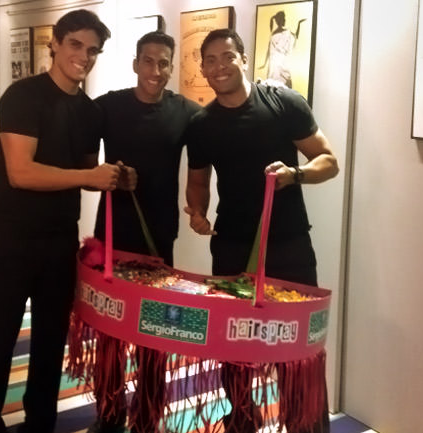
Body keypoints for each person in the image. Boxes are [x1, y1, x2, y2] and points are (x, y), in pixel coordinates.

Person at [0, 10, 135, 433]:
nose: (84, 56)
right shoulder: (24, 96)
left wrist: (113, 178)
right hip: (12, 240)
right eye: (75, 45)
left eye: (93, 50)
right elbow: (21, 173)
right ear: (55, 44)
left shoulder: (90, 113)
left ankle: (40, 421)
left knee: (50, 342)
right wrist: (88, 176)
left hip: (61, 242)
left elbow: (85, 173)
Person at [185, 29, 338, 433]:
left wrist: (295, 174)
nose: (220, 66)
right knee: (233, 344)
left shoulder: (283, 103)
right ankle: (241, 420)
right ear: (203, 68)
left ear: (244, 59)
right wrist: (197, 212)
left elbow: (328, 161)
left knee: (298, 349)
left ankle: (306, 426)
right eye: (210, 60)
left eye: (227, 56)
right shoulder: (201, 125)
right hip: (232, 248)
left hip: (289, 245)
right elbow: (198, 181)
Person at [88, 31, 201, 433]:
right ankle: (109, 413)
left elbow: (215, 148)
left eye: (164, 63)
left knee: (155, 330)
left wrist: (200, 207)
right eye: (148, 61)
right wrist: (109, 175)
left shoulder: (187, 112)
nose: (156, 70)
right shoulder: (107, 107)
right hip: (113, 235)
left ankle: (149, 415)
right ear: (136, 64)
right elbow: (83, 166)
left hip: (159, 237)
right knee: (110, 330)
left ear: (172, 67)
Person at [258, 11, 306, 88]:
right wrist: (264, 64)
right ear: (279, 21)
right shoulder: (274, 34)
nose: (285, 20)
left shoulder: (286, 32)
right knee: (274, 86)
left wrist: (299, 24)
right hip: (275, 66)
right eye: (283, 19)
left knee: (284, 86)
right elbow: (269, 50)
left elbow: (295, 37)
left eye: (284, 19)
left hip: (282, 64)